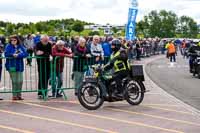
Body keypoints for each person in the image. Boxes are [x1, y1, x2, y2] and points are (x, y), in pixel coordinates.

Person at [4, 35, 28, 100]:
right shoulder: (8, 46)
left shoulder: (20, 46)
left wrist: (18, 55)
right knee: (14, 81)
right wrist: (12, 55)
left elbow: (26, 54)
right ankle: (14, 95)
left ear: (17, 40)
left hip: (20, 66)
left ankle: (19, 95)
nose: (13, 41)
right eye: (12, 40)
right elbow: (6, 54)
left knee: (20, 81)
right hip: (11, 66)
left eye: (14, 40)